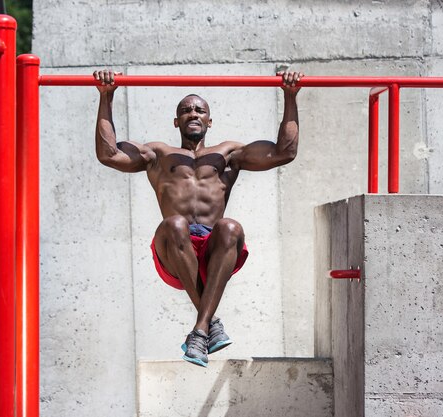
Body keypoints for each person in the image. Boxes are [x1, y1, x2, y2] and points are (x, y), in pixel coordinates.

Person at [93, 69, 303, 367]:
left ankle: (200, 330)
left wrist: (290, 95)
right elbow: (108, 154)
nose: (193, 113)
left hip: (216, 253)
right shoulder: (158, 154)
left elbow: (285, 152)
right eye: (186, 110)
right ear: (176, 121)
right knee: (175, 223)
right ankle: (208, 323)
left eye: (199, 109)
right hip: (174, 252)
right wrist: (106, 96)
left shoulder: (229, 154)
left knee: (230, 226)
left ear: (209, 120)